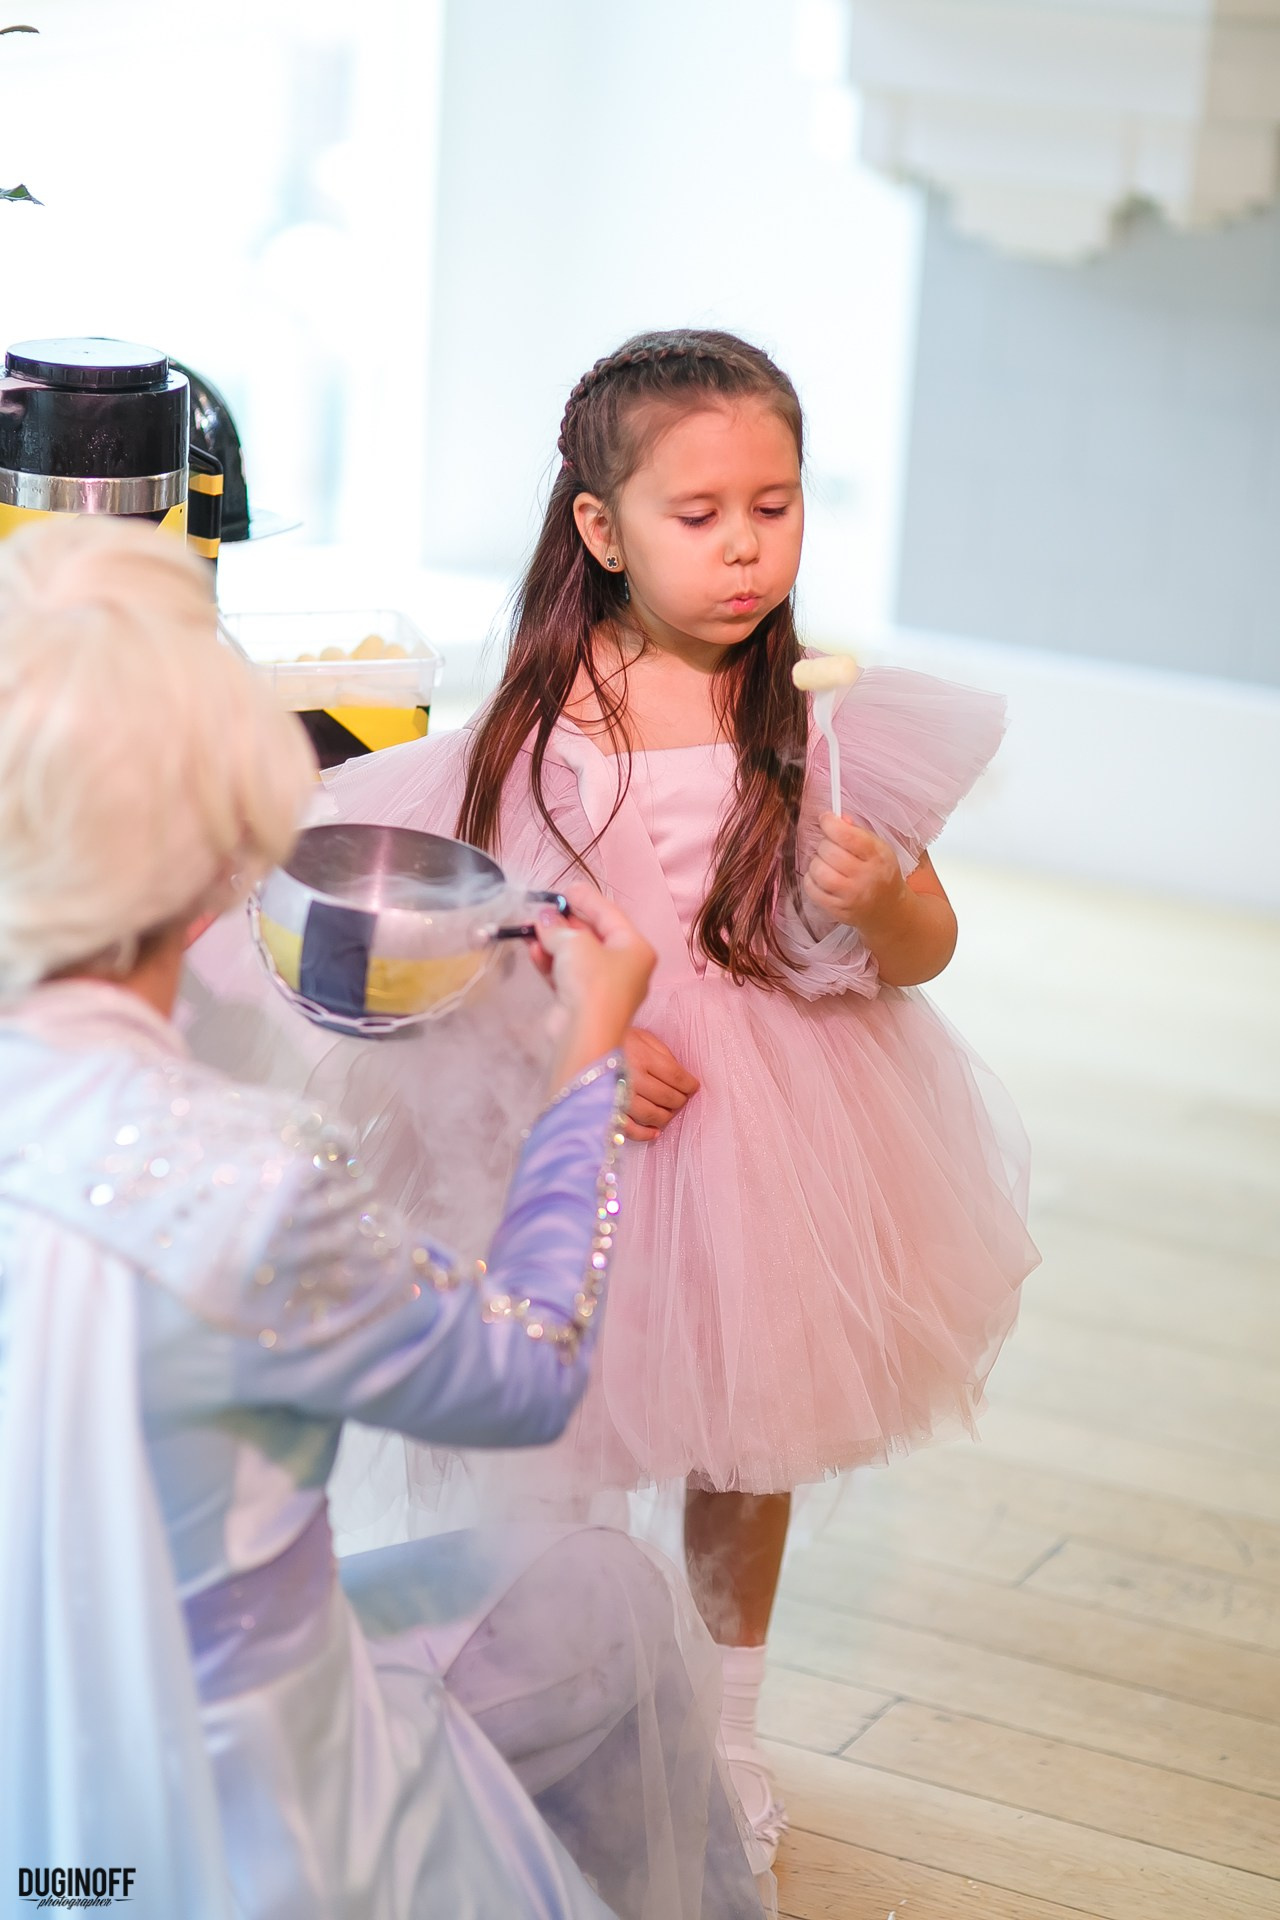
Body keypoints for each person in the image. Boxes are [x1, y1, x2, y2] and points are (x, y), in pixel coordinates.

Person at [192, 328, 1041, 1870]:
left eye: (773, 509)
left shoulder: (823, 727)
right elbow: (479, 928)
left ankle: (723, 1722)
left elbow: (922, 951)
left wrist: (879, 897)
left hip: (785, 1120)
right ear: (602, 528)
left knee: (750, 1423)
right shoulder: (546, 720)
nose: (743, 550)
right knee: (576, 1418)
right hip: (596, 1120)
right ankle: (571, 1702)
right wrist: (559, 1029)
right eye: (698, 515)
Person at [0, 517, 766, 1919]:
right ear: (218, 863)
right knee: (608, 1593)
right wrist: (585, 1066)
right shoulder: (248, 1186)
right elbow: (522, 1366)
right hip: (230, 1832)